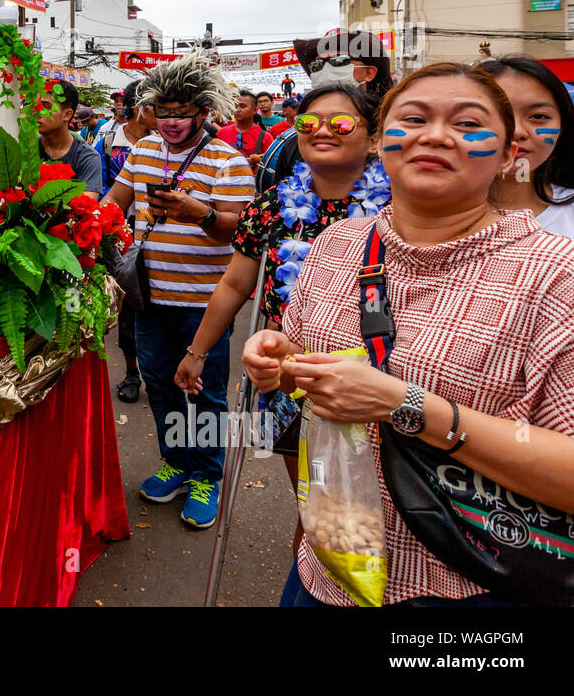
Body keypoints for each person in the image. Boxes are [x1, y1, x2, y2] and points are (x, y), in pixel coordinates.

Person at [245, 63, 574, 606]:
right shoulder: (337, 245)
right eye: (413, 118)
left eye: (468, 125)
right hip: (329, 568)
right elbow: (306, 372)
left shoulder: (553, 275)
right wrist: (280, 360)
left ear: (510, 154)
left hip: (470, 587)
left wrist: (410, 407)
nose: (435, 135)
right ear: (380, 142)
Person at [176, 84, 387, 550]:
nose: (323, 131)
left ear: (374, 138)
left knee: (378, 509)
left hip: (379, 373)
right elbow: (235, 285)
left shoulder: (402, 208)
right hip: (290, 373)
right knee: (315, 506)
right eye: (310, 123)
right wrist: (198, 351)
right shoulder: (269, 207)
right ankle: (314, 569)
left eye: (342, 122)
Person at [101, 55, 255, 527]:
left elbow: (239, 234)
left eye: (181, 111)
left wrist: (201, 213)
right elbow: (112, 205)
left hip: (205, 306)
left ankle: (207, 475)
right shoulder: (144, 149)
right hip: (148, 297)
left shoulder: (228, 163)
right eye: (162, 110)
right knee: (161, 387)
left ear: (203, 112)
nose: (170, 120)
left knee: (206, 395)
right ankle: (177, 462)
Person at [257, 31, 394, 192]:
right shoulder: (298, 141)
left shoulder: (396, 134)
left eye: (339, 61)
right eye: (317, 65)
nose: (323, 133)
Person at [95, 78, 156, 395]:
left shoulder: (166, 141)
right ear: (140, 108)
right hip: (118, 229)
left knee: (153, 302)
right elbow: (101, 183)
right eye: (154, 104)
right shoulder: (107, 139)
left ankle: (159, 371)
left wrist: (146, 222)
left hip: (153, 227)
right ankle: (132, 372)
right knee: (127, 303)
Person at [478, 55, 574, 237]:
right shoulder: (421, 213)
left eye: (538, 117)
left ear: (562, 127)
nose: (516, 131)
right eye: (497, 113)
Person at [38, 81, 102, 196]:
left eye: (45, 107)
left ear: (67, 114)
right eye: (35, 106)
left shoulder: (88, 158)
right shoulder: (26, 147)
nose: (37, 112)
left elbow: (87, 205)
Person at [218, 90, 269, 171]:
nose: (237, 110)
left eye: (242, 106)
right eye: (235, 106)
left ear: (255, 110)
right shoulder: (221, 133)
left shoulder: (265, 137)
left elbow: (272, 167)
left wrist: (260, 162)